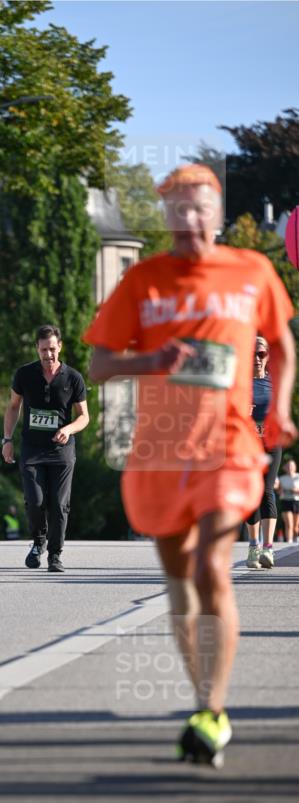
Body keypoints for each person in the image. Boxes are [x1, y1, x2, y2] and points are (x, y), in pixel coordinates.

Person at [84, 163, 296, 767]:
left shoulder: (252, 271)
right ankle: (208, 705)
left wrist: (278, 407)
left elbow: (281, 343)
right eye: (175, 208)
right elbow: (98, 365)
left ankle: (213, 705)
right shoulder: (145, 281)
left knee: (212, 566)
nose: (187, 219)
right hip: (159, 450)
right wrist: (151, 361)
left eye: (198, 207)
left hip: (228, 444)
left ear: (218, 213)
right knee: (180, 585)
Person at [2, 324, 89, 572]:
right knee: (35, 499)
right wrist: (7, 440)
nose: (48, 355)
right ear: (36, 349)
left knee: (60, 504)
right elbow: (12, 407)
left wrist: (68, 429)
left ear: (59, 347)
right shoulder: (24, 374)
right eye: (43, 350)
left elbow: (84, 416)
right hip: (32, 449)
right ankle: (38, 542)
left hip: (61, 451)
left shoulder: (73, 378)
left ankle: (55, 555)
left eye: (52, 349)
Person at [244, 335, 282, 568]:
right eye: (253, 354)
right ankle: (252, 546)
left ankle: (268, 549)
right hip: (246, 443)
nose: (257, 359)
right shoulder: (239, 382)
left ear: (267, 356)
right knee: (250, 492)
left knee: (267, 490)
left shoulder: (275, 381)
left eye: (261, 354)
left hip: (270, 442)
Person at [278, 457, 299, 543]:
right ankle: (289, 541)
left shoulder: (298, 477)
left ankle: (296, 538)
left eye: (292, 466)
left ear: (295, 467)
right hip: (286, 501)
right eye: (288, 466)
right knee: (289, 524)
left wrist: (294, 490)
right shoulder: (282, 478)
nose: (290, 467)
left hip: (297, 501)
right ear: (286, 467)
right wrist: (280, 490)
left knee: (296, 525)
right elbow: (279, 491)